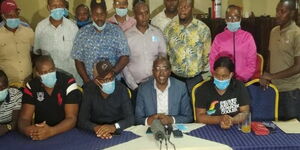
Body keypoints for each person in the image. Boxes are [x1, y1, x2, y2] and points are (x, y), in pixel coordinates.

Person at [18, 56, 81, 140]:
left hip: (65, 132)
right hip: (40, 133)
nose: (49, 74)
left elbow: (72, 118)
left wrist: (51, 131)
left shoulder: (68, 81)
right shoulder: (31, 86)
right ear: (37, 73)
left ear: (55, 68)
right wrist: (27, 130)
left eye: (51, 70)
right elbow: (24, 118)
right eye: (44, 72)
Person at [71, 0, 130, 85]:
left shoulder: (116, 31)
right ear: (91, 14)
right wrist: (87, 81)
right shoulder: (82, 33)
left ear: (106, 13)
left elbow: (125, 56)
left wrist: (112, 74)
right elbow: (78, 60)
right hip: (91, 83)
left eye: (102, 14)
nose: (99, 18)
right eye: (96, 14)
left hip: (113, 82)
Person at [260, 0, 300, 121]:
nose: (278, 14)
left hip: (291, 91)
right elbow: (270, 56)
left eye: (282, 11)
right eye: (277, 10)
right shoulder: (274, 31)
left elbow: (298, 66)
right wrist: (266, 75)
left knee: (292, 131)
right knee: (276, 128)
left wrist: (272, 76)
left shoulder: (297, 34)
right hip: (274, 89)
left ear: (292, 13)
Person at [78, 60, 134, 139]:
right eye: (105, 80)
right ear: (96, 81)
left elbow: (130, 119)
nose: (109, 81)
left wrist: (114, 126)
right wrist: (97, 128)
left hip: (119, 132)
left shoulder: (121, 89)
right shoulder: (88, 90)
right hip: (95, 133)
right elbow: (82, 120)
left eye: (111, 78)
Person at [164, 0, 211, 94]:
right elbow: (166, 53)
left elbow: (207, 54)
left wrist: (204, 75)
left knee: (195, 107)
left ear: (192, 9)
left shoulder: (203, 29)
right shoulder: (169, 29)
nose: (182, 10)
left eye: (186, 7)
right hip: (175, 79)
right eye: (180, 7)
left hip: (196, 79)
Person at [34, 0, 82, 85]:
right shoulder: (40, 27)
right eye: (54, 6)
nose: (57, 8)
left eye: (60, 5)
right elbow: (37, 54)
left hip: (71, 77)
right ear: (48, 7)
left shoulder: (73, 27)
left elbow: (79, 56)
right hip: (49, 78)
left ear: (64, 7)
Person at [135, 55, 193, 125]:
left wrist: (171, 120)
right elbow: (137, 118)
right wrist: (148, 120)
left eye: (165, 69)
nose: (161, 73)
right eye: (157, 69)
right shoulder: (143, 89)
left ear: (170, 71)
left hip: (173, 128)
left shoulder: (180, 87)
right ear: (153, 72)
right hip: (151, 129)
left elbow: (188, 117)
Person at [195, 57, 250, 129]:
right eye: (217, 75)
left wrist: (232, 120)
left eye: (224, 76)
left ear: (231, 75)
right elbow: (200, 117)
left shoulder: (239, 86)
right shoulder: (203, 89)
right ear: (213, 73)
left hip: (234, 127)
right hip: (209, 128)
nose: (220, 79)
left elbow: (245, 113)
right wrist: (220, 119)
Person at [123, 1, 166, 91]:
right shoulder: (127, 36)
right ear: (135, 15)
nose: (144, 17)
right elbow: (124, 64)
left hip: (155, 84)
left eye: (146, 13)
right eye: (140, 14)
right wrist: (133, 86)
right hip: (135, 85)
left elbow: (163, 56)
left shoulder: (157, 33)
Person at [209, 5, 257, 82]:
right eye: (229, 17)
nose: (232, 21)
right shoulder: (218, 38)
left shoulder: (248, 37)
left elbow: (252, 63)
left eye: (236, 17)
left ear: (240, 19)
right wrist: (220, 77)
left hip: (243, 82)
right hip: (222, 81)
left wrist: (240, 79)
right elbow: (212, 62)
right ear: (225, 20)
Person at [0, 0, 34, 87]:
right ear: (3, 16)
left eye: (15, 15)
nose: (13, 18)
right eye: (10, 16)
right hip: (8, 84)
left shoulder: (28, 31)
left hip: (28, 82)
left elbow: (34, 53)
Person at [0, 70, 22, 136]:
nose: (1, 89)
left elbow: (16, 122)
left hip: (11, 134)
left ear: (8, 84)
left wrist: (7, 127)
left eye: (3, 86)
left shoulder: (16, 95)